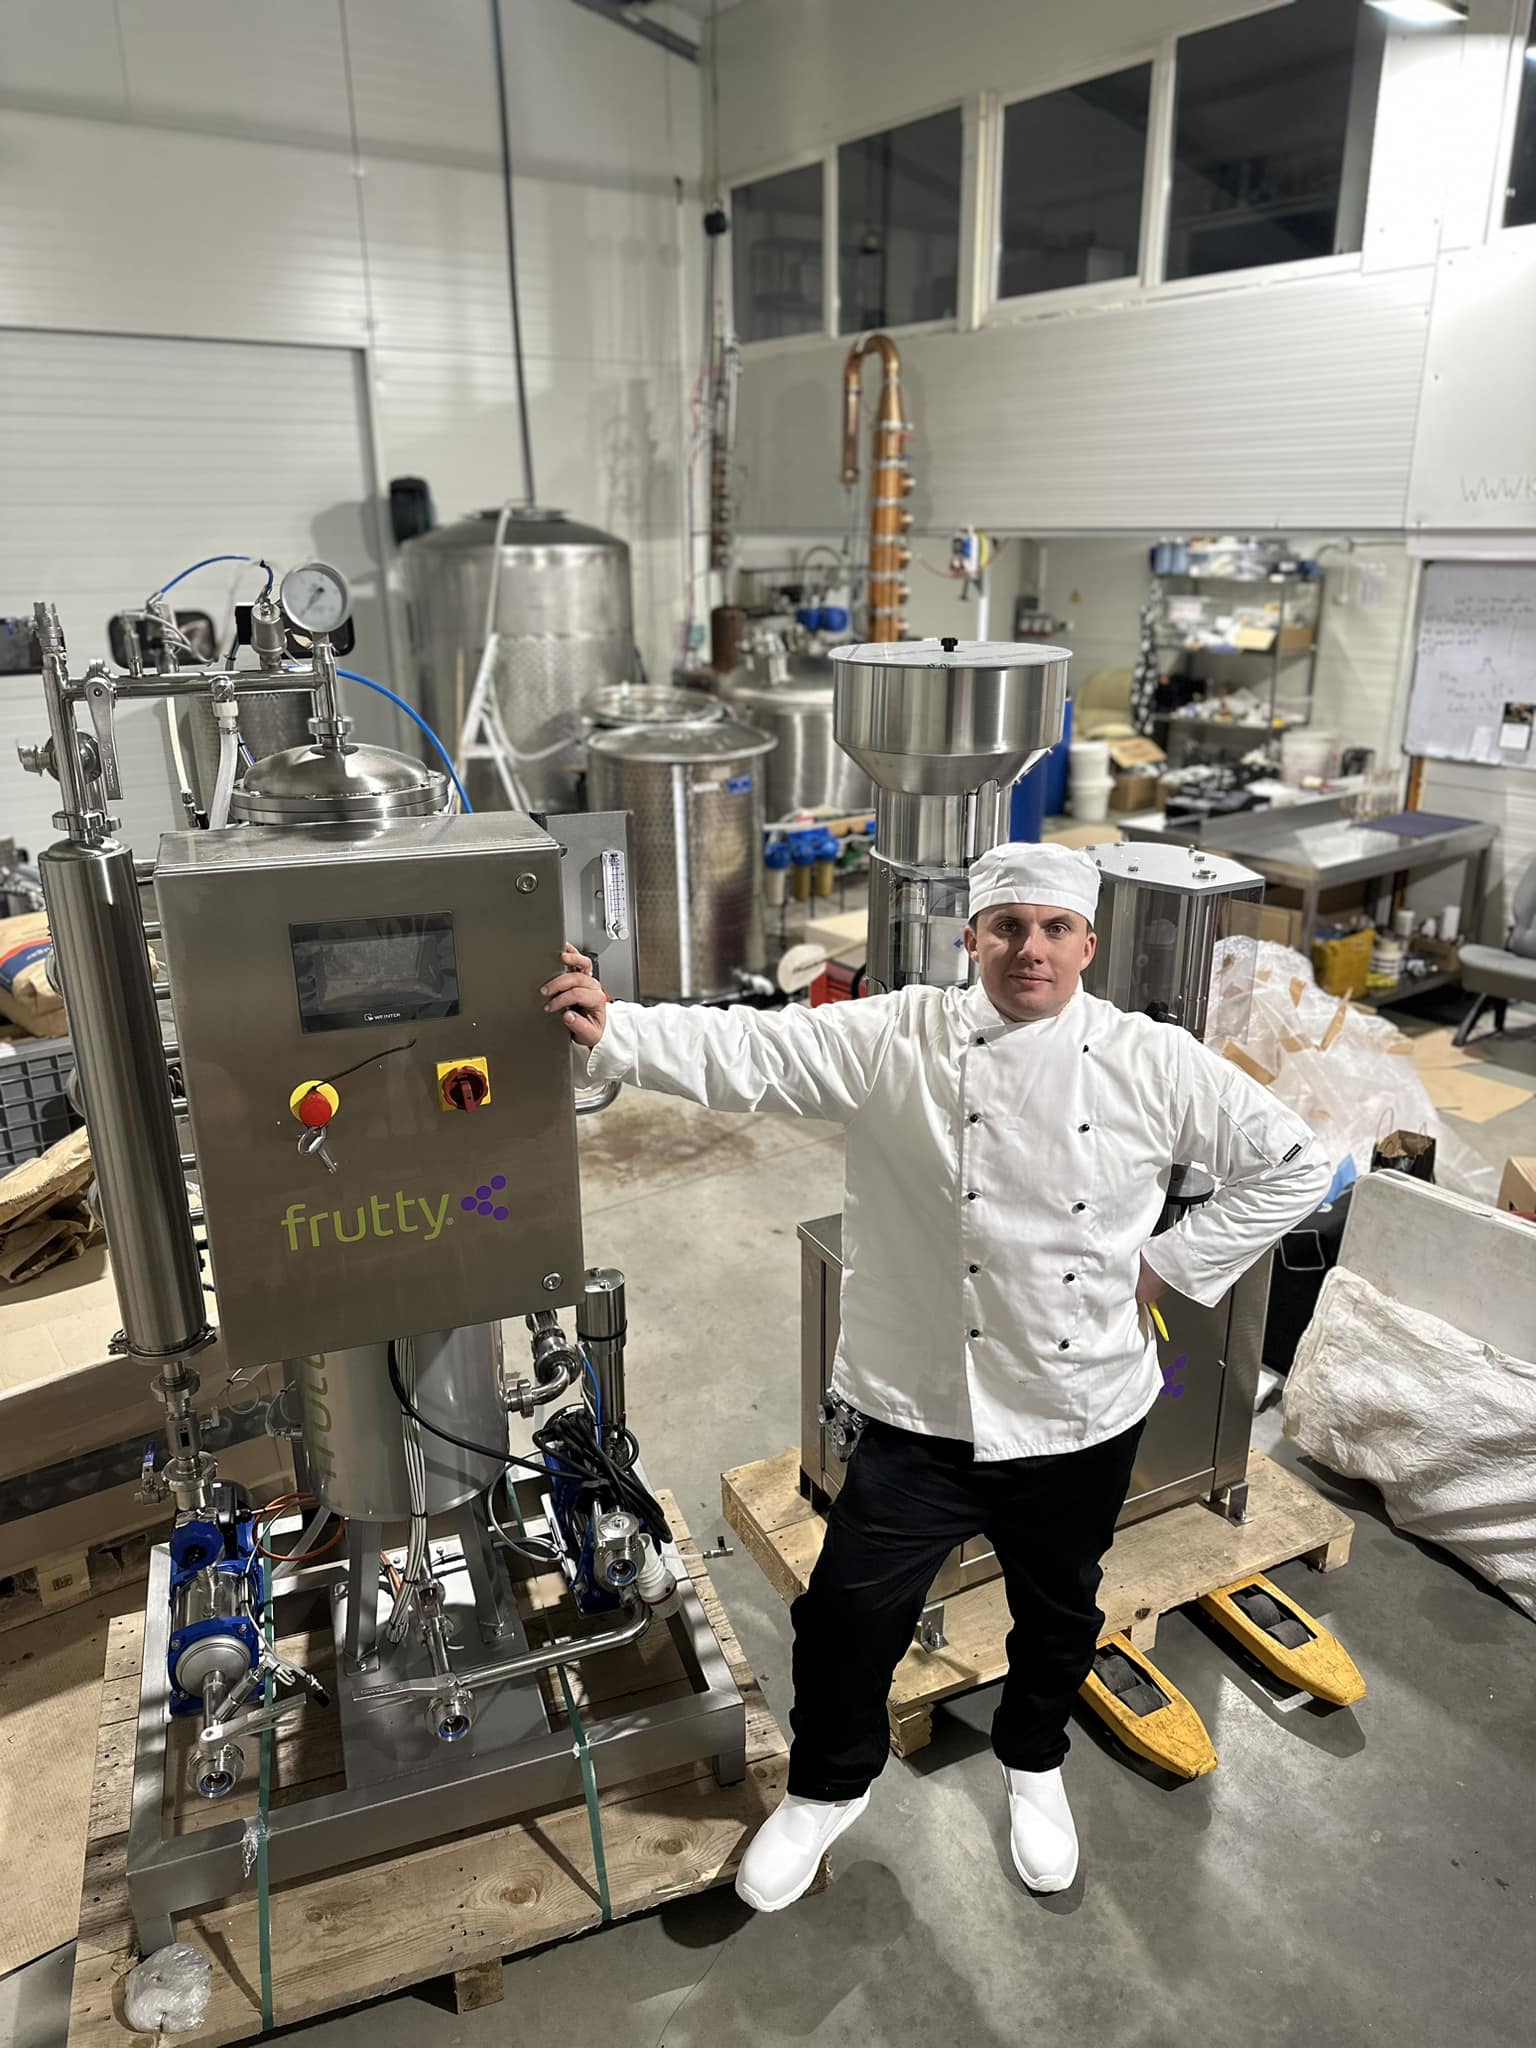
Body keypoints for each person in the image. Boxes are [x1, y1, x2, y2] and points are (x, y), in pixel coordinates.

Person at [540, 841, 1329, 1912]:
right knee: (846, 1612)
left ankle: (1034, 1757)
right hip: (924, 1411)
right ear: (972, 938)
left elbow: (1294, 1160)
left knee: (1060, 1610)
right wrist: (617, 1028)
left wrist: (1172, 1264)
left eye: (1054, 929)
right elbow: (752, 1048)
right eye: (1008, 927)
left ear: (1088, 944)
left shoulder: (1152, 1060)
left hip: (1080, 1411)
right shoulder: (899, 1035)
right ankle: (827, 1784)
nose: (1030, 948)